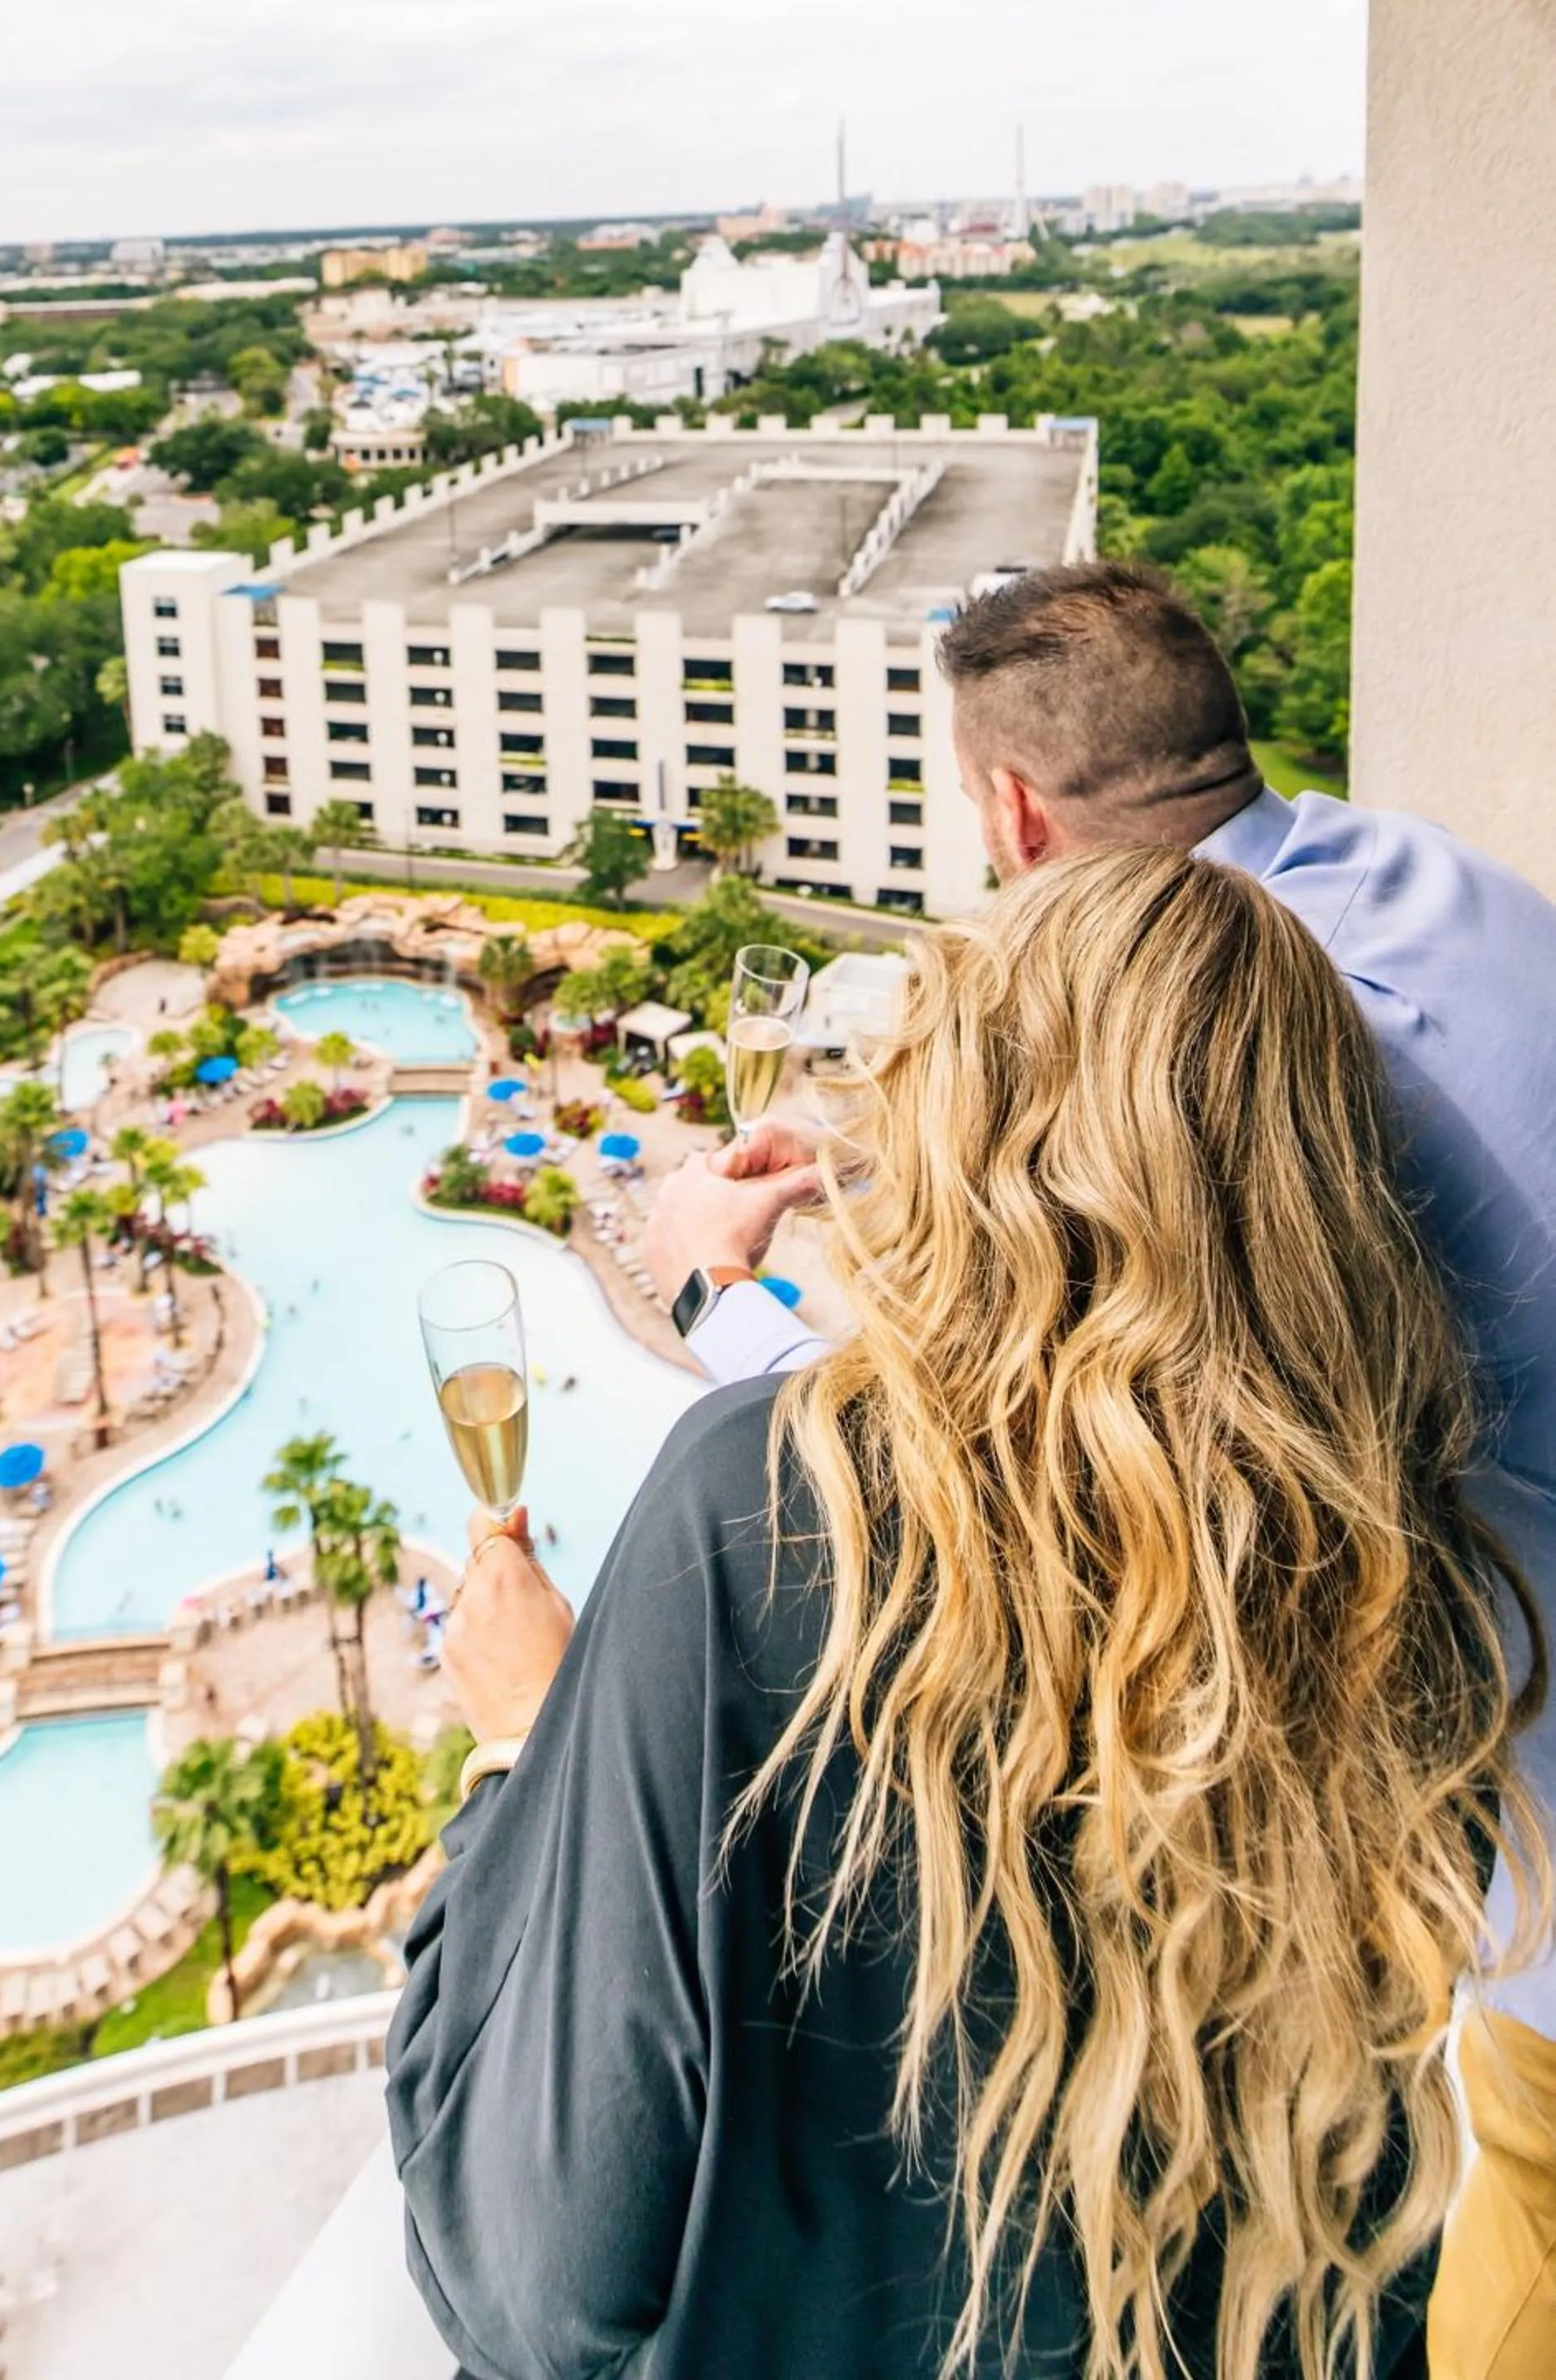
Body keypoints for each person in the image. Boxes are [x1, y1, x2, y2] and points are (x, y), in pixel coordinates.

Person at [388, 851, 1545, 2380]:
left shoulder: (759, 1514)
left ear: (966, 1140)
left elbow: (529, 2284)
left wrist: (521, 1754)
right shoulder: (1427, 1590)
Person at [642, 561, 1556, 2380]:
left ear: (1007, 807)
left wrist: (710, 1298)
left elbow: (1009, 1468)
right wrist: (901, 1164)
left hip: (1520, 1807)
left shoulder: (1316, 1050)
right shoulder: (1422, 885)